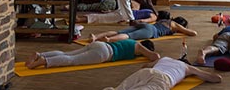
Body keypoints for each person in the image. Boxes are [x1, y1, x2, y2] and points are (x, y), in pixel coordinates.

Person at [25, 39, 160, 69]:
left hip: (101, 44)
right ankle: (43, 61)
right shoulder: (139, 47)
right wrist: (150, 59)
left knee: (67, 53)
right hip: (104, 53)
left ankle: (40, 54)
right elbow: (155, 56)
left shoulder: (130, 41)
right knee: (72, 60)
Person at [104, 57, 222, 90]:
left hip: (148, 71)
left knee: (120, 88)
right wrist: (195, 73)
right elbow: (214, 78)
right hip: (164, 79)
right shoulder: (187, 67)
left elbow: (145, 66)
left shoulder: (165, 58)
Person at [91, 13, 196, 42]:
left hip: (148, 26)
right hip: (151, 31)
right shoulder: (175, 25)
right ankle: (109, 40)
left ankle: (95, 37)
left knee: (119, 31)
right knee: (128, 36)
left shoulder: (165, 20)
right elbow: (193, 33)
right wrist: (182, 29)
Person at [76, 0, 157, 24]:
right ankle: (79, 19)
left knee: (100, 16)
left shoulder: (145, 10)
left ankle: (80, 18)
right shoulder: (154, 16)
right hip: (124, 15)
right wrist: (132, 21)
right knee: (100, 18)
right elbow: (144, 20)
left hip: (122, 12)